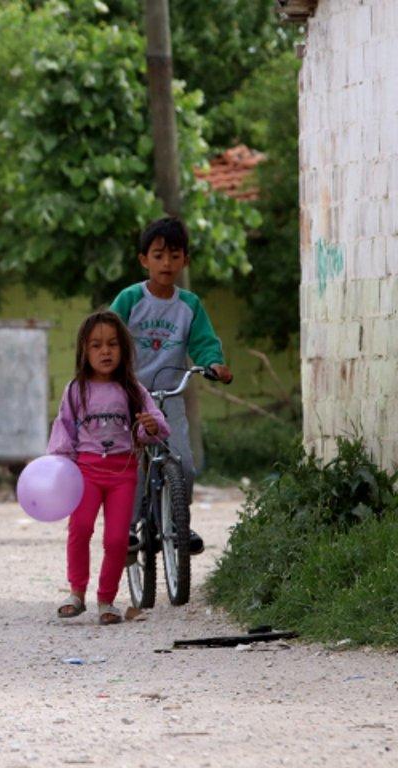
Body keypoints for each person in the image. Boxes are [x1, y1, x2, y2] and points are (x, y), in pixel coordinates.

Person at [110, 217, 233, 556]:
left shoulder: (189, 305)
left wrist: (214, 364)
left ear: (185, 261)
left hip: (169, 398)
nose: (166, 263)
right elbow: (107, 335)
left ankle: (178, 522)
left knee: (183, 464)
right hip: (130, 399)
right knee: (131, 465)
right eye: (159, 255)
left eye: (174, 256)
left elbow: (205, 343)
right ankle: (128, 527)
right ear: (144, 260)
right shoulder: (130, 299)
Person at [48, 310, 168, 625]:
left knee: (116, 540)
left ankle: (106, 600)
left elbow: (154, 426)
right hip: (85, 472)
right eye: (96, 345)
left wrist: (150, 426)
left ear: (123, 350)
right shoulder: (76, 390)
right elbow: (64, 430)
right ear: (84, 351)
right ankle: (76, 593)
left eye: (113, 344)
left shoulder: (133, 390)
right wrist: (60, 466)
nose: (105, 351)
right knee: (80, 528)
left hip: (123, 474)